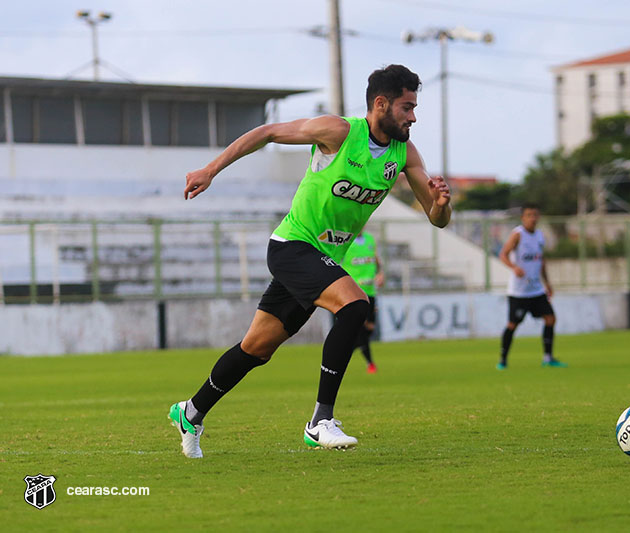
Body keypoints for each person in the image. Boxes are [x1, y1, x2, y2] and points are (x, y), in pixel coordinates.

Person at [168, 64, 451, 457]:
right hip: (292, 246)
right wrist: (210, 170)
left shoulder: (405, 154)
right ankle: (320, 421)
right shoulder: (338, 132)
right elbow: (266, 132)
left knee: (256, 350)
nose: (413, 116)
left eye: (415, 107)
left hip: (320, 259)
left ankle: (190, 412)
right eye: (407, 107)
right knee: (354, 305)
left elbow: (436, 220)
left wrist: (440, 204)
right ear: (381, 104)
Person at [497, 204, 566, 370]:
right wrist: (514, 268)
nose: (532, 218)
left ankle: (548, 358)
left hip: (536, 289)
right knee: (513, 324)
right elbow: (503, 255)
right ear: (523, 218)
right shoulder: (518, 235)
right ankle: (503, 360)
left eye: (535, 215)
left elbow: (540, 261)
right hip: (519, 292)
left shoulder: (540, 236)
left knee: (550, 318)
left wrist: (547, 283)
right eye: (529, 215)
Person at [341, 231, 383, 373]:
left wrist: (380, 273)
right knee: (360, 327)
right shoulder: (345, 241)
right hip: (353, 292)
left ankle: (341, 354)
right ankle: (370, 363)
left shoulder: (370, 239)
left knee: (369, 329)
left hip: (370, 290)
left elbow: (376, 261)